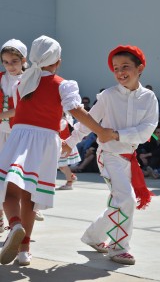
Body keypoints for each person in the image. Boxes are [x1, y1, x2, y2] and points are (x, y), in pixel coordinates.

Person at [0, 35, 114, 266]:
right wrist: (100, 131)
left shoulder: (22, 82)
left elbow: (19, 113)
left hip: (20, 136)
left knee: (9, 191)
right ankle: (24, 251)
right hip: (46, 141)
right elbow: (77, 111)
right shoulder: (63, 84)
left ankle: (15, 225)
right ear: (58, 61)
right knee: (30, 198)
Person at [62, 44, 159, 265]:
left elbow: (147, 131)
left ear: (140, 68)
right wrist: (70, 142)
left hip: (129, 157)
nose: (120, 72)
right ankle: (119, 248)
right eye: (115, 68)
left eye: (125, 66)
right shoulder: (107, 95)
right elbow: (88, 122)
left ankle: (94, 236)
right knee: (127, 200)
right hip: (108, 157)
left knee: (120, 202)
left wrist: (115, 134)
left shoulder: (149, 98)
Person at [0, 39, 28, 234]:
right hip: (1, 132)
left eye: (14, 61)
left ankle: (17, 220)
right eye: (6, 61)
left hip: (20, 134)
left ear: (23, 60)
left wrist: (3, 114)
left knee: (14, 179)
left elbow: (23, 109)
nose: (10, 66)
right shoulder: (1, 78)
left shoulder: (29, 80)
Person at [57, 114, 80, 190]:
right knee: (61, 165)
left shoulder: (63, 121)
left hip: (65, 145)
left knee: (62, 165)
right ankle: (71, 177)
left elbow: (57, 130)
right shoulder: (63, 120)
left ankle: (69, 182)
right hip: (64, 145)